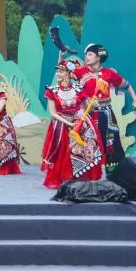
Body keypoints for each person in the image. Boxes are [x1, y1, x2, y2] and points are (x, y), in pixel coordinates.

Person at [72, 43, 136, 173]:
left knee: (111, 141)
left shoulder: (109, 73)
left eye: (90, 54)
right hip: (88, 113)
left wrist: (135, 99)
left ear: (98, 57)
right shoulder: (81, 71)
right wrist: (61, 56)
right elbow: (63, 70)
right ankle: (86, 172)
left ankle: (113, 171)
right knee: (86, 141)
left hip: (106, 113)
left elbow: (127, 85)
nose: (86, 57)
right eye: (86, 54)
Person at [42, 61, 104, 189]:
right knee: (63, 153)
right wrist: (69, 123)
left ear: (68, 73)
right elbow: (53, 113)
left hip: (79, 123)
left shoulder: (77, 89)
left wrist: (91, 105)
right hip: (61, 125)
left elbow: (85, 108)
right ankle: (65, 178)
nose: (58, 74)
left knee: (83, 150)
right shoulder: (52, 91)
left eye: (61, 71)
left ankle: (80, 177)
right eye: (57, 71)